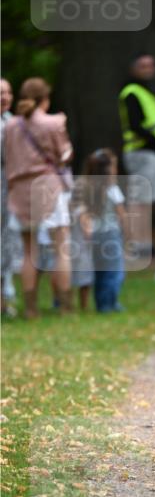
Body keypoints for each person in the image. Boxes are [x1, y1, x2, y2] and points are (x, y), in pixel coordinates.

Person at [3, 77, 73, 317]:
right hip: (48, 187)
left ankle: (30, 308)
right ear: (46, 98)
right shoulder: (53, 122)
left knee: (28, 252)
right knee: (60, 248)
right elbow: (64, 155)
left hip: (19, 191)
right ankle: (65, 306)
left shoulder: (11, 125)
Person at [118, 53, 155, 263]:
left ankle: (144, 244)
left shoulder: (148, 92)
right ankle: (135, 245)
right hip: (141, 151)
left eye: (150, 65)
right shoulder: (132, 93)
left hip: (150, 153)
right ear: (133, 68)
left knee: (146, 201)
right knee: (139, 201)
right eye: (143, 65)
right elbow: (136, 125)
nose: (148, 69)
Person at [75, 148, 127, 313]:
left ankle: (101, 303)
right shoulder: (112, 190)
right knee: (114, 272)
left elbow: (81, 211)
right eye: (114, 167)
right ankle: (109, 304)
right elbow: (121, 215)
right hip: (111, 235)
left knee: (99, 272)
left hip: (93, 235)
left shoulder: (86, 188)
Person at [1, 78, 21, 318]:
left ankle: (7, 296)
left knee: (8, 242)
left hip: (11, 190)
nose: (4, 97)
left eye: (7, 92)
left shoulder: (14, 122)